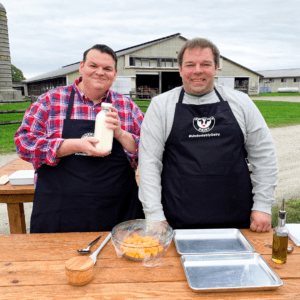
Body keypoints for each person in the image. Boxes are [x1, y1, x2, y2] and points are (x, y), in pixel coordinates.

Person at [138, 38, 278, 232]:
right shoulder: (161, 106)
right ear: (180, 69)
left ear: (216, 67)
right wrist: (154, 214)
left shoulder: (241, 102)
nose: (198, 70)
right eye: (190, 65)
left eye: (205, 64)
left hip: (237, 218)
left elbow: (264, 156)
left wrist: (262, 205)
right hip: (177, 220)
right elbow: (149, 163)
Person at [15, 44, 144, 233]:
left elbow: (152, 149)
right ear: (81, 67)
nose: (100, 72)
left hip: (117, 211)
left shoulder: (127, 107)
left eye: (107, 68)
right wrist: (72, 145)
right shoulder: (51, 101)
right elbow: (23, 144)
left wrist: (121, 134)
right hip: (59, 212)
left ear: (114, 73)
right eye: (94, 66)